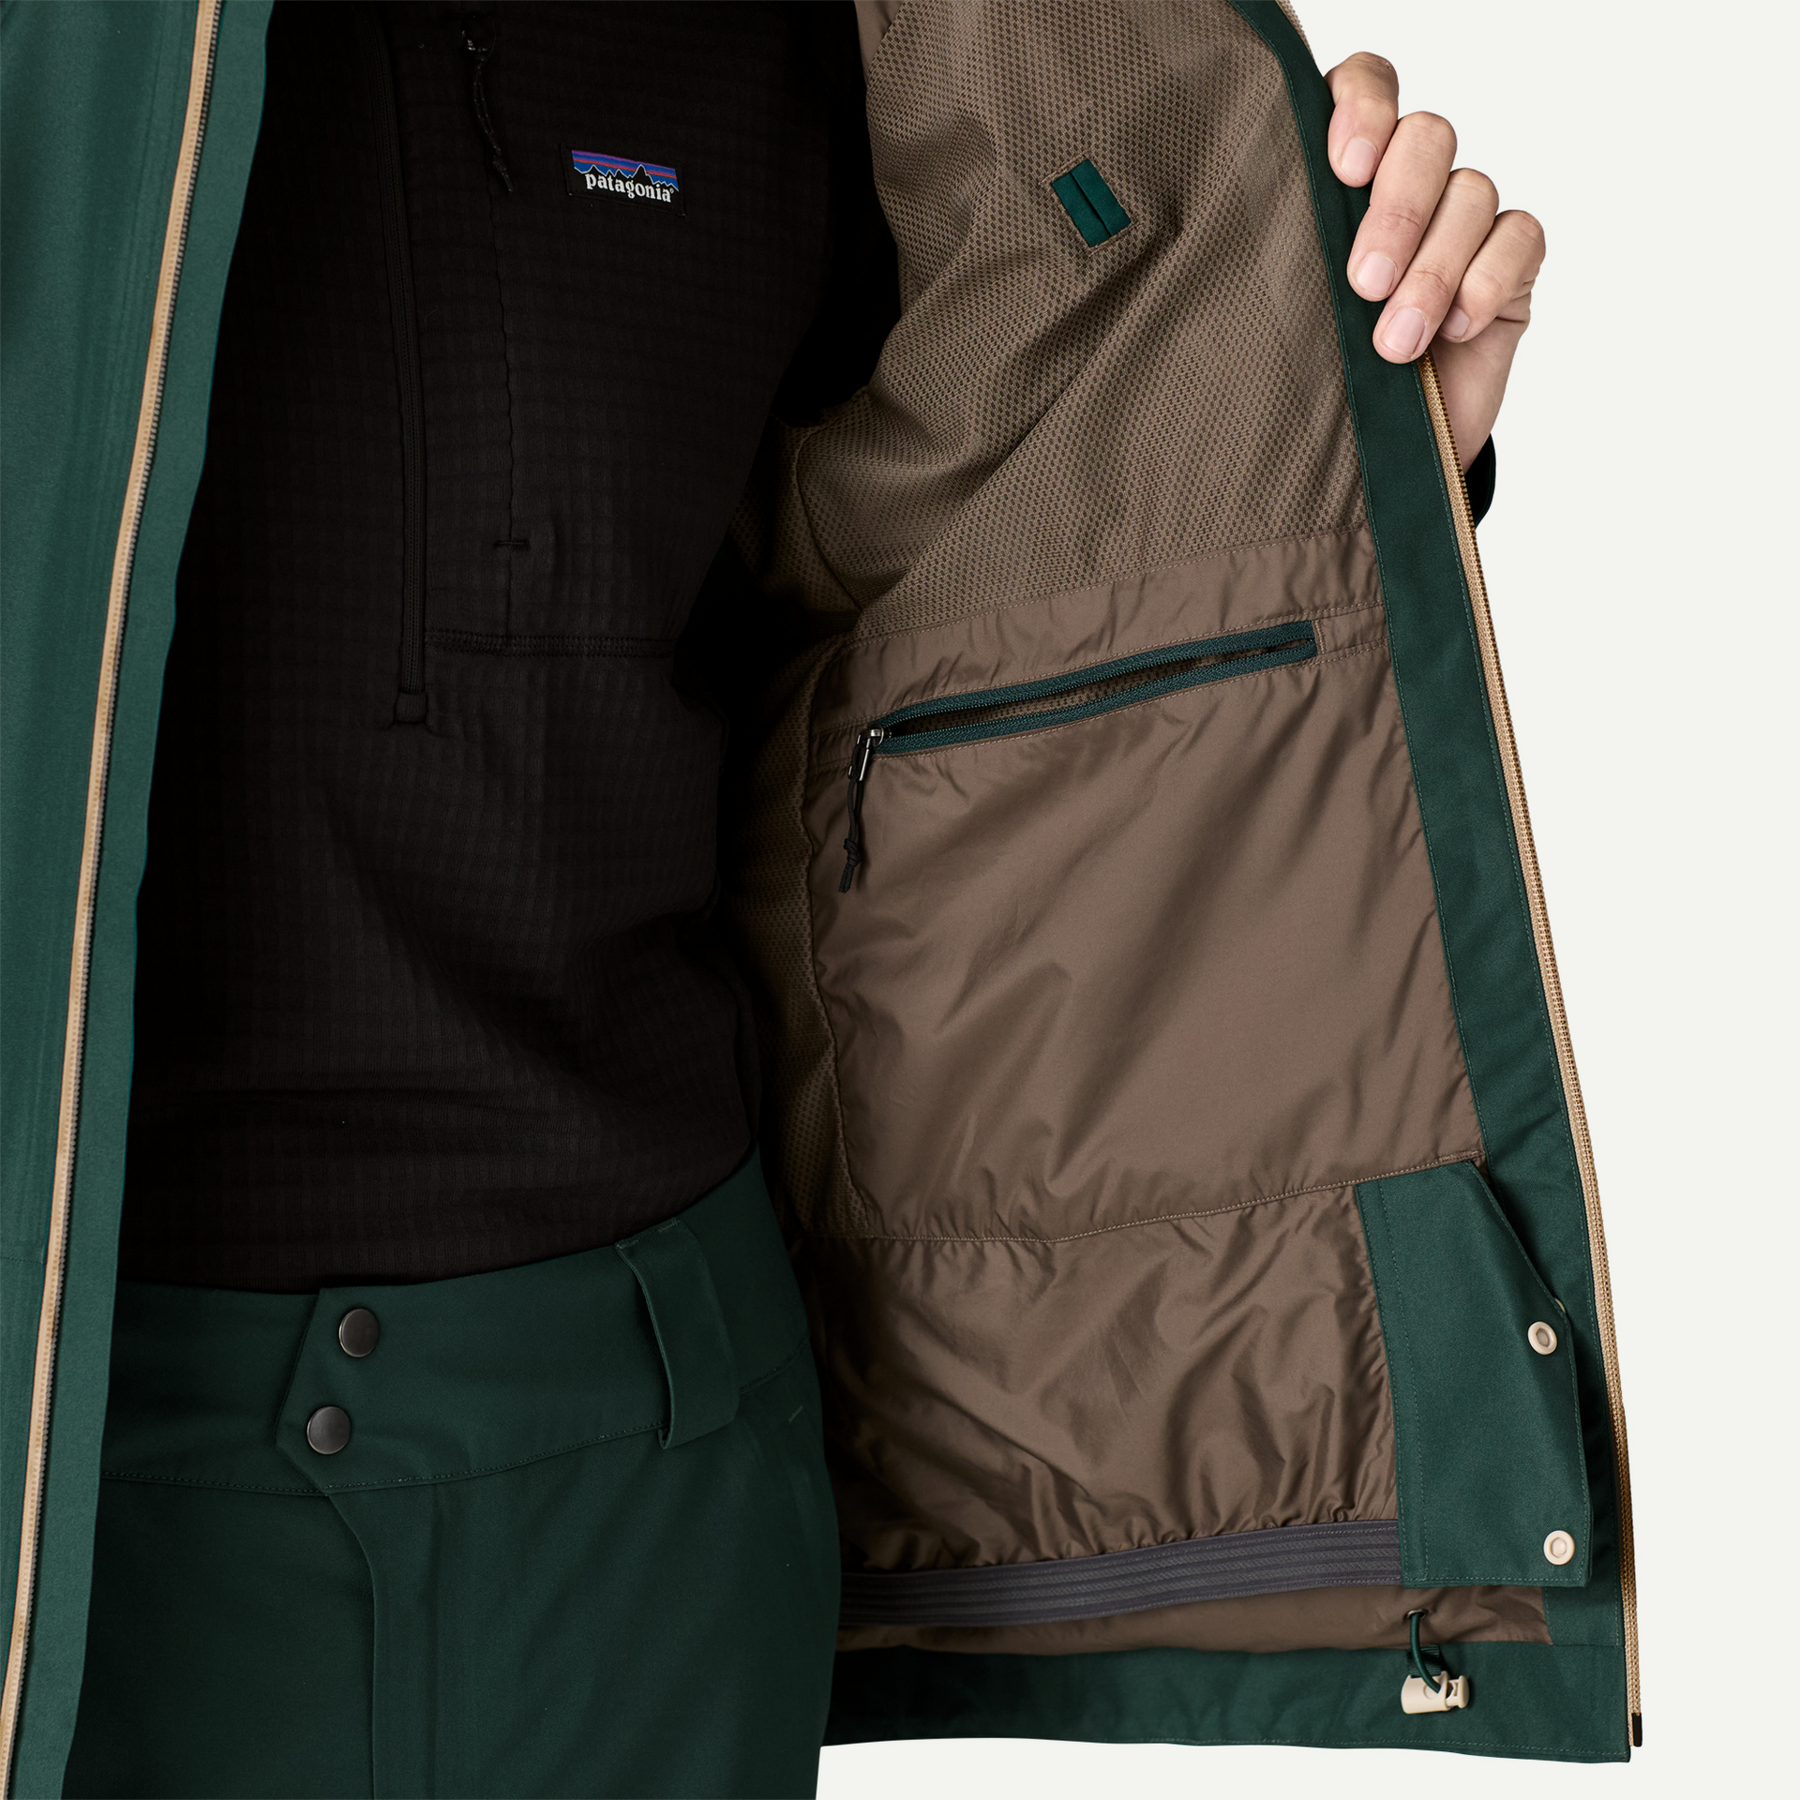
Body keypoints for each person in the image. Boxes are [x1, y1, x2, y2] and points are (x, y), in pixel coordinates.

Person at [5, 6, 1633, 1797]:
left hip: (652, 1494)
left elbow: (927, 574)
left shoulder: (831, 43)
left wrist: (1319, 429)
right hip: (69, 1489)